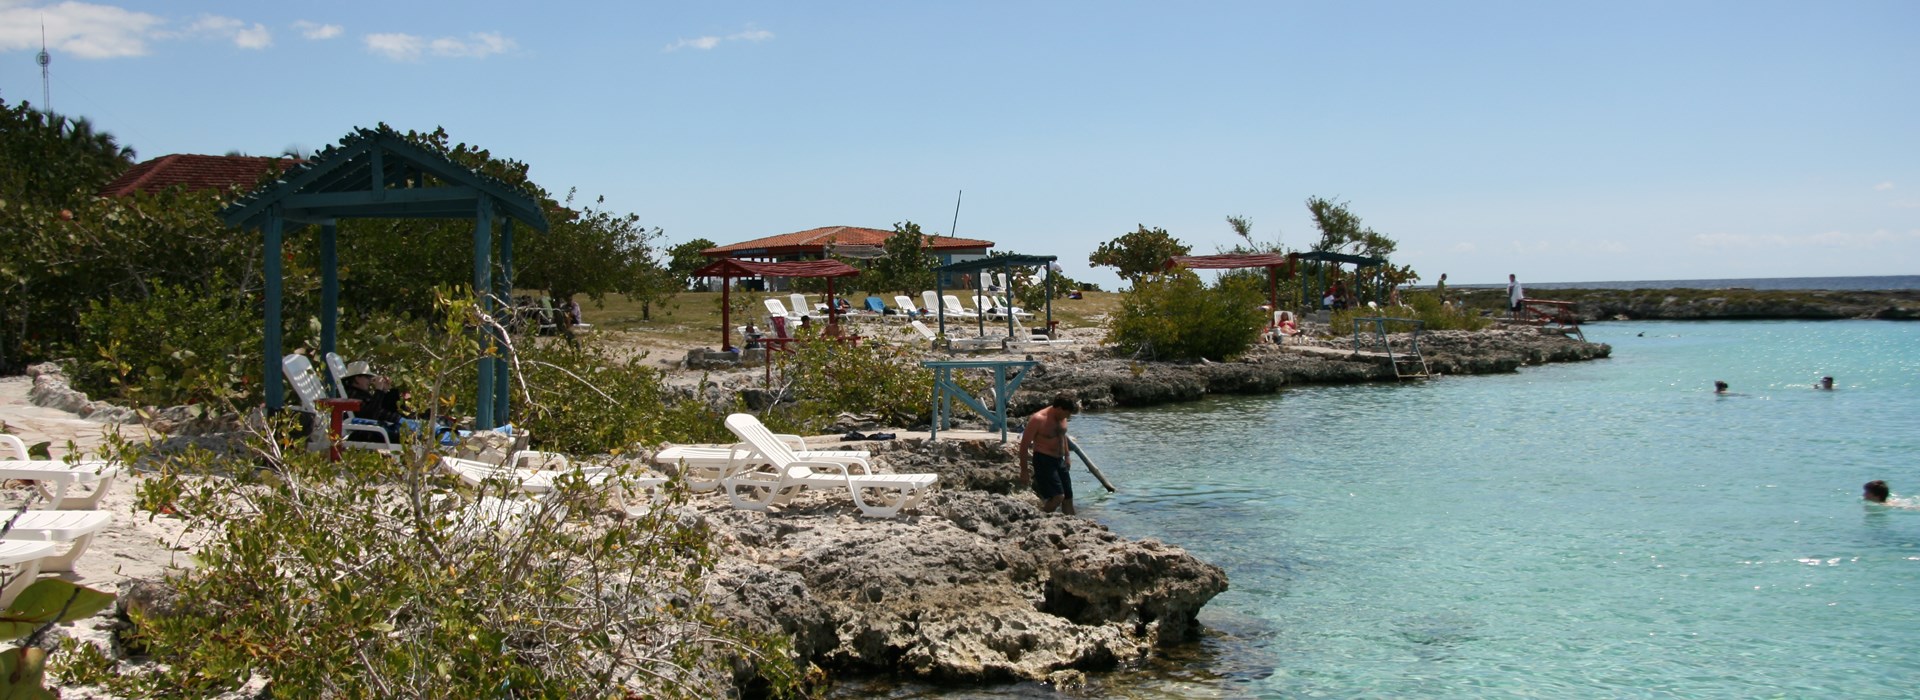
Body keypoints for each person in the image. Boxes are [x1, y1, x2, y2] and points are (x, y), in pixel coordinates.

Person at [1019, 392, 1080, 515]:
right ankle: (1038, 520)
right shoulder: (1038, 419)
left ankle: (1074, 526)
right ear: (1059, 408)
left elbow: (1062, 436)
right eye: (1067, 413)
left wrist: (1067, 456)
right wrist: (1024, 470)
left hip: (1059, 460)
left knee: (1068, 499)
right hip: (1044, 460)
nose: (1068, 416)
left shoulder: (1062, 417)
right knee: (1057, 497)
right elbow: (1024, 445)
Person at [341, 361, 410, 438]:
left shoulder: (360, 393)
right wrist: (379, 391)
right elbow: (371, 415)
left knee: (393, 395)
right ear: (357, 378)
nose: (370, 380)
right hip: (371, 431)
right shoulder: (353, 395)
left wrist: (385, 390)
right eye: (367, 377)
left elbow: (381, 408)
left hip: (380, 427)